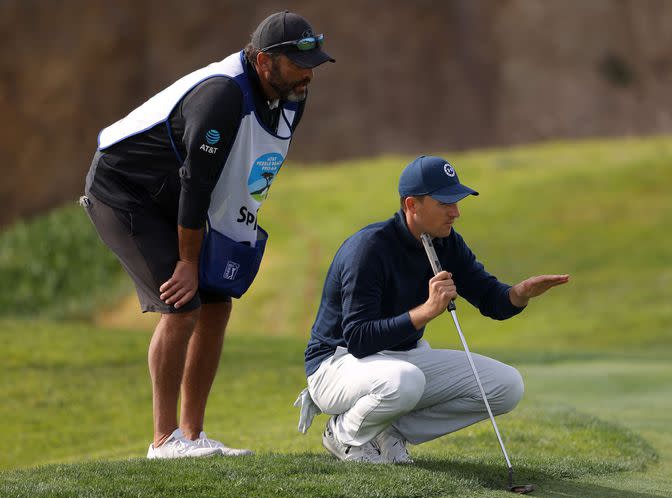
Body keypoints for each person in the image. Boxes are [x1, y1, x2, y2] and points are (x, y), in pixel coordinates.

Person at [81, 11, 334, 459]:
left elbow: (249, 169)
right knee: (183, 304)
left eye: (312, 62)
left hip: (175, 194)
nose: (308, 73)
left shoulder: (291, 93)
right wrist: (189, 262)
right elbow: (197, 182)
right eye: (298, 63)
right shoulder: (220, 96)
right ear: (262, 63)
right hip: (124, 192)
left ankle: (193, 437)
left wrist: (235, 238)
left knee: (218, 303)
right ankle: (164, 442)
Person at [295, 155, 569, 463]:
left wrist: (519, 294)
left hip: (402, 360)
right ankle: (344, 434)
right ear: (412, 205)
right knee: (405, 380)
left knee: (507, 386)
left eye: (457, 202)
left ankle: (389, 432)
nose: (456, 212)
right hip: (336, 363)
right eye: (445, 203)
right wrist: (426, 311)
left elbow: (490, 298)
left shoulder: (445, 242)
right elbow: (359, 339)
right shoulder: (369, 249)